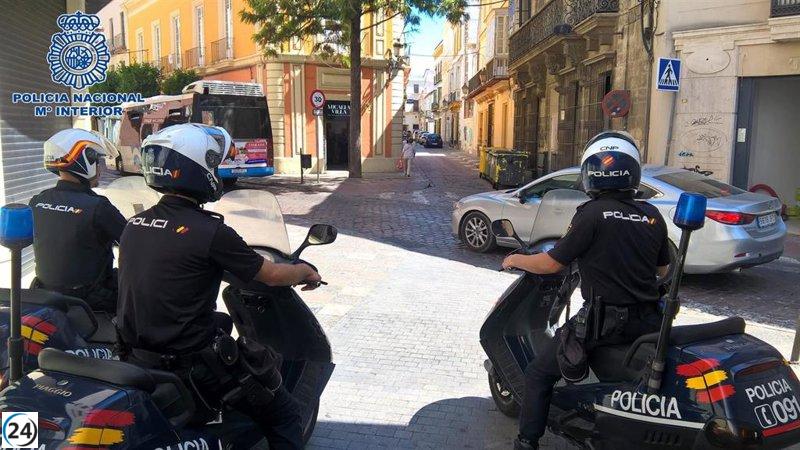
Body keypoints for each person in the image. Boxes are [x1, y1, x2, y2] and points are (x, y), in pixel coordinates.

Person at [116, 123, 320, 449]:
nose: (216, 169)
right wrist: (304, 270)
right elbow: (270, 275)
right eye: (212, 162)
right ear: (195, 168)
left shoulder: (134, 225)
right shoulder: (210, 231)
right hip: (193, 367)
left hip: (139, 358)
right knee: (284, 413)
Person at [503, 131, 671, 450]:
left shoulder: (591, 214)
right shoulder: (652, 215)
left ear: (590, 173)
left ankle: (527, 442)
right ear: (633, 172)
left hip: (603, 326)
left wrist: (516, 259)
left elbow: (553, 263)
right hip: (648, 322)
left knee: (539, 373)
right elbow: (662, 271)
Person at [29, 128, 126, 314]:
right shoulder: (98, 207)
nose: (100, 167)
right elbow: (132, 241)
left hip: (44, 293)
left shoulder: (37, 201)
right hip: (89, 299)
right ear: (84, 161)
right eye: (97, 161)